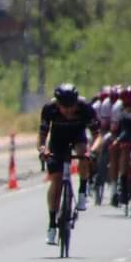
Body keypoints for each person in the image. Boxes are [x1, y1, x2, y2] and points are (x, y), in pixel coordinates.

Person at [39, 83, 98, 245]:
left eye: (71, 107)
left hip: (78, 137)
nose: (68, 111)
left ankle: (82, 192)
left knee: (83, 155)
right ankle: (52, 225)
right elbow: (43, 134)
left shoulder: (85, 108)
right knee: (56, 181)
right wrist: (43, 149)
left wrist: (92, 150)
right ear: (57, 104)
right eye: (64, 107)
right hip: (57, 141)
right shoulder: (49, 109)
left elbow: (97, 135)